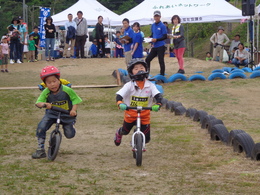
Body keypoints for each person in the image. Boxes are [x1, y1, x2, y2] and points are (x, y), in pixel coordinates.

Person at [32, 66, 82, 159]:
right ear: (45, 84)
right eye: (49, 82)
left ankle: (71, 125)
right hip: (52, 114)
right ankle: (40, 149)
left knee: (70, 135)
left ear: (59, 80)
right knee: (41, 127)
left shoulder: (67, 90)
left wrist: (73, 110)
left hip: (67, 114)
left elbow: (76, 100)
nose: (52, 84)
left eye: (54, 81)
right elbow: (38, 102)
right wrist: (44, 104)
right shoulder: (46, 92)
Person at [114, 58, 162, 146]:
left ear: (146, 70)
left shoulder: (151, 85)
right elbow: (119, 95)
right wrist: (120, 103)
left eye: (141, 68)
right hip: (130, 113)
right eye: (136, 69)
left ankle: (136, 142)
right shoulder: (129, 85)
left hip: (144, 114)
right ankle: (119, 133)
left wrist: (158, 104)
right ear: (131, 72)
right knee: (125, 131)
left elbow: (158, 95)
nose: (139, 70)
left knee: (146, 139)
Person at [145, 10, 167, 76]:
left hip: (161, 46)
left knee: (161, 61)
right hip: (155, 46)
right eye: (155, 16)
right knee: (147, 59)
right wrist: (149, 37)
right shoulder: (153, 25)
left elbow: (165, 36)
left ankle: (162, 75)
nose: (156, 17)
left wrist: (156, 39)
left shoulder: (162, 26)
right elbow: (153, 34)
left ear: (160, 17)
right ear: (153, 17)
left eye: (157, 16)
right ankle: (147, 73)